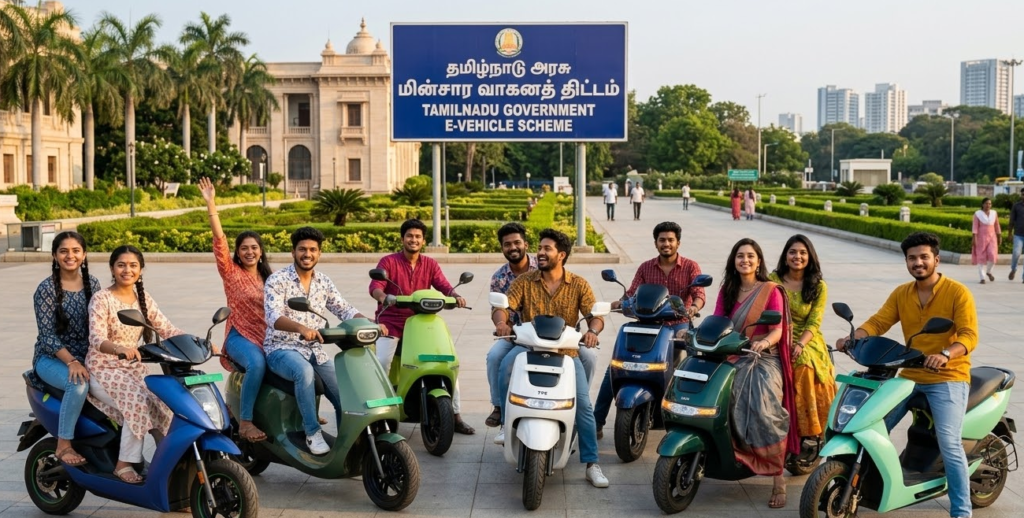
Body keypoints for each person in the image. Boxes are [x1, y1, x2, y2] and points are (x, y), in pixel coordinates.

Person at [836, 232, 977, 518]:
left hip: (947, 377)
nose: (918, 263)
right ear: (906, 262)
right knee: (872, 427)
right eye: (912, 258)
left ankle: (962, 511)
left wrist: (946, 354)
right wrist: (855, 337)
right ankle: (864, 486)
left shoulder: (957, 292)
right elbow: (880, 320)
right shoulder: (903, 293)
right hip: (908, 376)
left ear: (936, 260)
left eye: (924, 257)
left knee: (949, 443)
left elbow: (968, 334)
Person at [491, 228, 609, 488]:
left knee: (584, 405)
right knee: (505, 367)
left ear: (562, 255)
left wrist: (592, 331)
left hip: (566, 354)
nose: (540, 253)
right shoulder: (524, 282)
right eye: (540, 248)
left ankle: (592, 463)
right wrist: (502, 323)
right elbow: (503, 307)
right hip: (528, 348)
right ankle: (504, 423)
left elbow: (595, 315)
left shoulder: (578, 284)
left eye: (547, 249)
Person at [264, 226, 380, 455]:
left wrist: (369, 322)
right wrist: (300, 328)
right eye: (302, 249)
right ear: (293, 252)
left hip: (315, 350)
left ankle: (350, 440)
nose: (307, 254)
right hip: (281, 348)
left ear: (319, 253)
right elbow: (273, 315)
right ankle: (312, 433)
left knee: (343, 389)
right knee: (304, 372)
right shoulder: (277, 280)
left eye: (312, 250)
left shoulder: (323, 282)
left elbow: (343, 308)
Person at [594, 222, 705, 439]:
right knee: (615, 367)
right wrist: (618, 303)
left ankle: (689, 420)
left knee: (687, 366)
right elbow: (632, 293)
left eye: (670, 240)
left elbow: (699, 294)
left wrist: (693, 308)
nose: (666, 244)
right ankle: (596, 422)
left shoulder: (691, 267)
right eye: (662, 240)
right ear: (656, 243)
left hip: (677, 325)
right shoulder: (646, 267)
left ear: (678, 243)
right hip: (645, 324)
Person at [369, 218, 475, 435]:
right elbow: (375, 286)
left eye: (418, 236)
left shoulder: (430, 264)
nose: (413, 240)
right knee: (382, 361)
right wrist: (384, 297)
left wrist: (455, 296)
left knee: (449, 363)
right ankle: (379, 413)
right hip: (391, 322)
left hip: (422, 322)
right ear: (402, 239)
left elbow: (444, 285)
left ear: (423, 240)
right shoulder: (388, 262)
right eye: (409, 236)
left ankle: (455, 415)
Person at [87, 246, 182, 484]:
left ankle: (168, 463)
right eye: (121, 265)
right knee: (136, 404)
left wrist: (198, 342)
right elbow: (96, 338)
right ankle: (124, 464)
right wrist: (118, 348)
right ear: (112, 268)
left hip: (133, 369)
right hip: (103, 369)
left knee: (164, 404)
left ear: (140, 270)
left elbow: (166, 328)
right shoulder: (101, 299)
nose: (127, 270)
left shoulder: (143, 299)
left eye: (133, 265)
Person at [714, 238, 798, 508]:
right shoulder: (727, 289)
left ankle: (777, 478)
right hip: (731, 352)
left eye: (750, 256)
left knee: (764, 405)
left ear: (759, 261)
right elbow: (717, 321)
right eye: (740, 256)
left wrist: (763, 342)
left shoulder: (771, 290)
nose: (745, 260)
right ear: (733, 260)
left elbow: (777, 329)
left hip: (763, 357)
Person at [198, 177, 272, 442]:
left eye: (254, 248)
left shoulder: (270, 279)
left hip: (268, 336)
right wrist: (211, 203)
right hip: (240, 336)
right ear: (238, 254)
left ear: (261, 252)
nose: (249, 252)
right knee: (257, 362)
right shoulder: (231, 273)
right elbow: (220, 240)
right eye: (244, 249)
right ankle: (246, 422)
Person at [30, 231, 102, 468]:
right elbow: (47, 336)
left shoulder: (93, 284)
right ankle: (64, 444)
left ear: (84, 254)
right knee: (78, 383)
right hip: (52, 358)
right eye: (64, 251)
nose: (70, 256)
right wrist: (72, 362)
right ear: (54, 255)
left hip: (86, 356)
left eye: (75, 250)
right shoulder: (46, 289)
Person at [768, 234, 834, 458]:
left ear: (810, 257)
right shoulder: (773, 279)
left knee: (804, 368)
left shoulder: (818, 286)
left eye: (802, 252)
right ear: (785, 256)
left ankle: (807, 432)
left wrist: (799, 345)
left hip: (807, 337)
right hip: (777, 332)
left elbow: (814, 321)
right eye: (793, 252)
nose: (797, 256)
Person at [484, 223, 538, 428]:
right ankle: (498, 406)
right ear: (502, 248)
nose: (513, 247)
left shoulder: (541, 267)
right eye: (507, 244)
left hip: (541, 333)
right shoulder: (499, 277)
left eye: (517, 242)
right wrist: (501, 324)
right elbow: (497, 308)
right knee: (495, 356)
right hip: (514, 335)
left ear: (526, 244)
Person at [972, 197, 1002, 284]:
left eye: (989, 204)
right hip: (981, 237)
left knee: (992, 255)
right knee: (981, 257)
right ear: (982, 204)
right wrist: (974, 238)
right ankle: (982, 278)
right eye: (986, 203)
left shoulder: (994, 213)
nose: (988, 205)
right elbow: (975, 227)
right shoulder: (978, 214)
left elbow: (997, 225)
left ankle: (989, 271)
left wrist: (999, 236)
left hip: (992, 237)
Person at [1009, 188, 1024, 282]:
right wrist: (1010, 233)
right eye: (1022, 194)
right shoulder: (1016, 206)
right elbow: (1011, 220)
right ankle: (1013, 269)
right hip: (1018, 234)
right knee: (1016, 253)